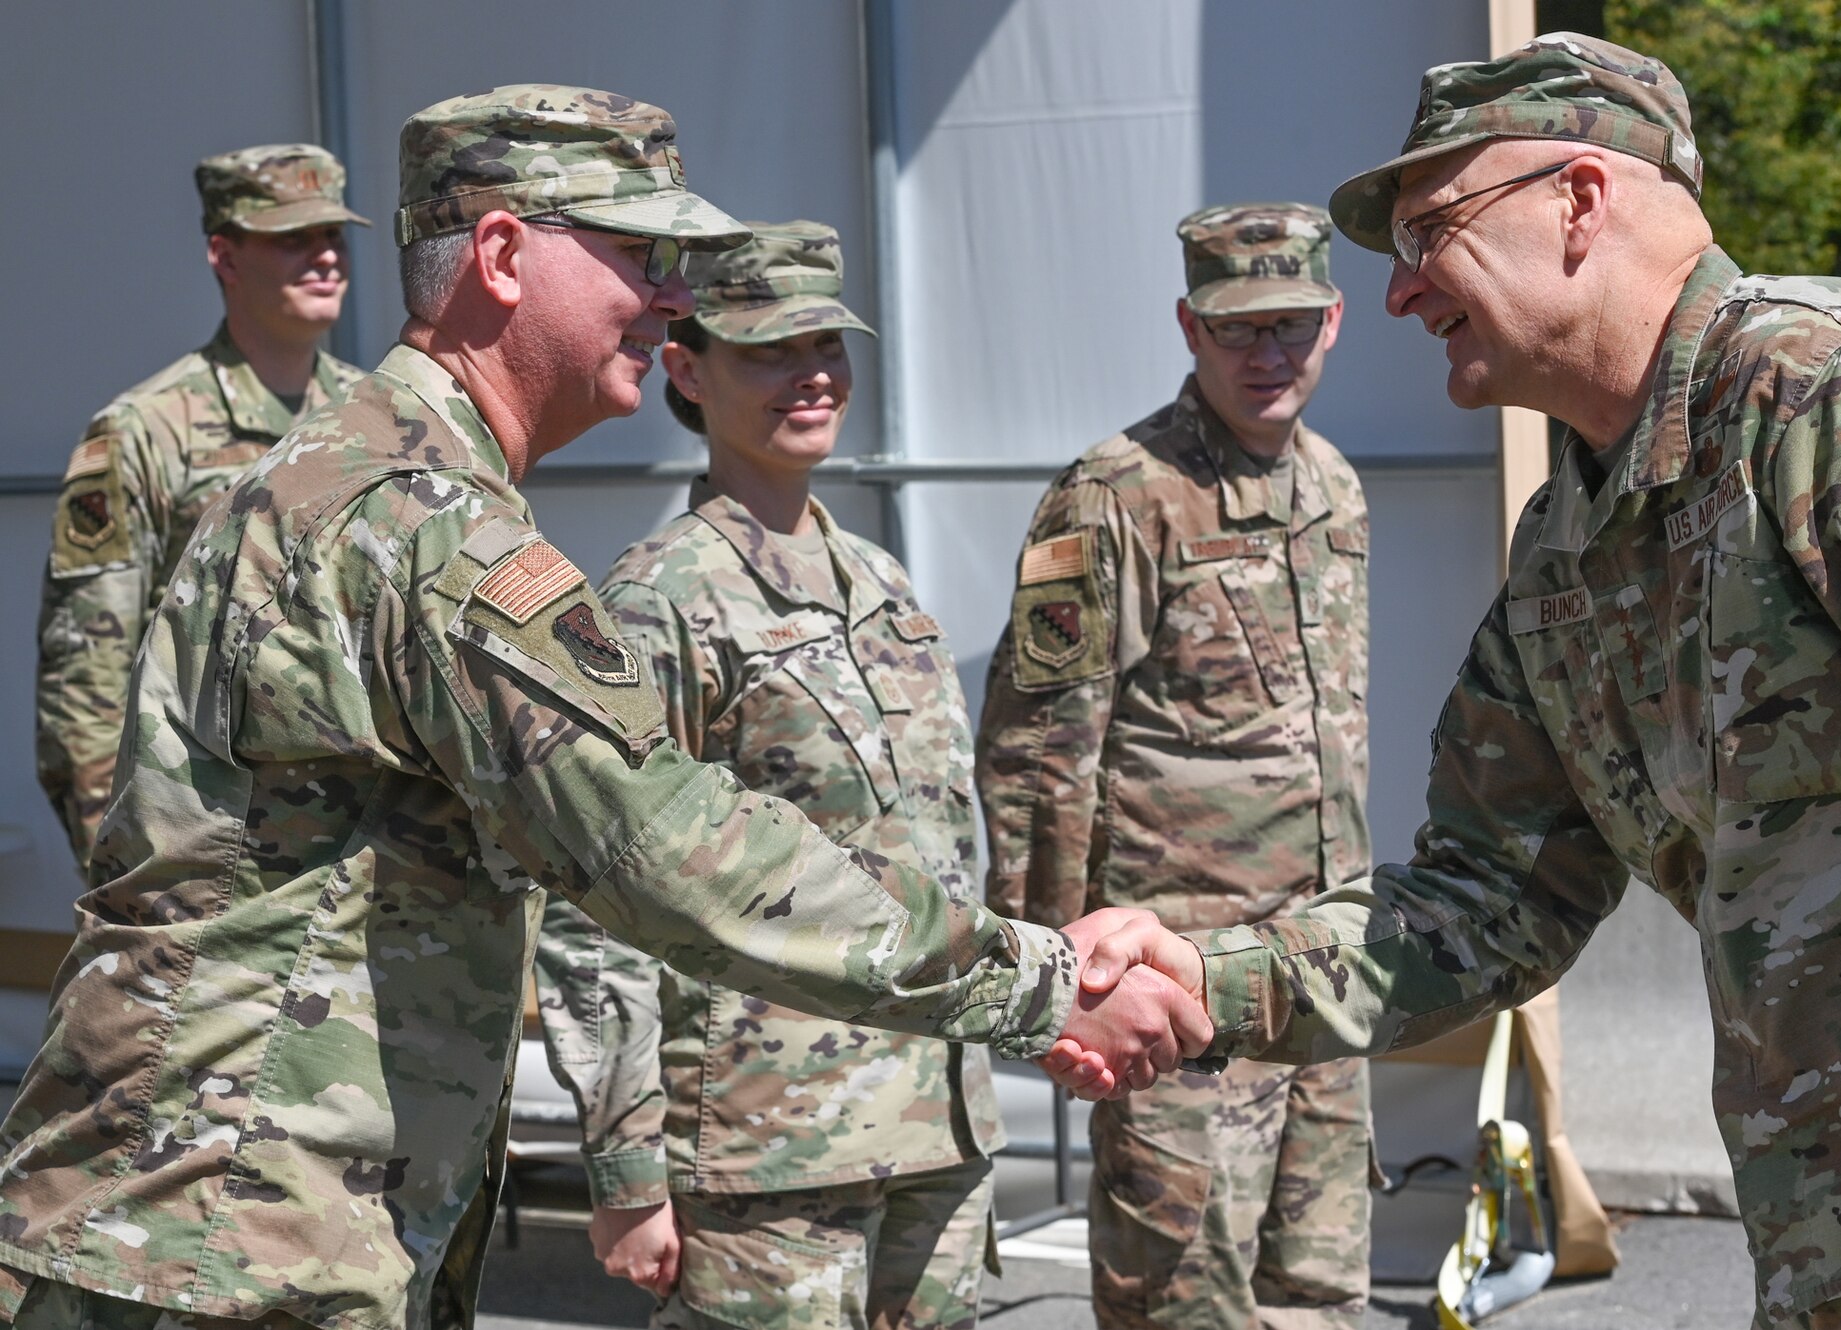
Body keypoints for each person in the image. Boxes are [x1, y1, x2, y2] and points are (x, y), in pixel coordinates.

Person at [0, 86, 1205, 1330]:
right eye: (637, 253)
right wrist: (1041, 979)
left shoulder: (369, 475)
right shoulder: (416, 517)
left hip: (233, 1218)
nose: (672, 296)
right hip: (229, 1234)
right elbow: (664, 843)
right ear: (504, 255)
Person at [1049, 32, 1841, 1330]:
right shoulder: (1568, 552)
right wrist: (1198, 979)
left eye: (1431, 226)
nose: (1399, 294)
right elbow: (1480, 904)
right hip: (1840, 1246)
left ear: (1582, 199)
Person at [535, 220, 1006, 1329]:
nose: (811, 375)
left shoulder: (879, 580)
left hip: (937, 1118)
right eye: (766, 351)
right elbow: (595, 898)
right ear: (687, 371)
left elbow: (944, 854)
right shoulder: (660, 599)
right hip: (766, 1148)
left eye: (825, 346)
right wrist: (625, 1167)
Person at [977, 203, 1375, 1328]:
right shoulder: (1116, 494)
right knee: (1181, 1303)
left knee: (1321, 1294)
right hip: (1176, 1002)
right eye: (1237, 328)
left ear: (1333, 322)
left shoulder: (1335, 489)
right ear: (1187, 326)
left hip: (1321, 982)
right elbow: (1035, 754)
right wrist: (1052, 991)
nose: (1267, 355)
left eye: (1290, 325)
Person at [35, 143, 370, 868]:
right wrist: (118, 865)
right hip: (203, 848)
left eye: (333, 236)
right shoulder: (145, 429)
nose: (325, 258)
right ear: (225, 256)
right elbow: (86, 672)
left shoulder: (372, 419)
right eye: (292, 239)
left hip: (358, 853)